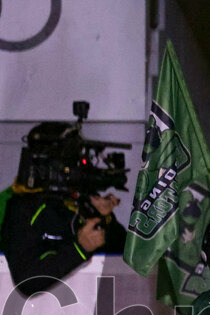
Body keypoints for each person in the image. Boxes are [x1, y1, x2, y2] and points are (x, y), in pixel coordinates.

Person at [1, 120, 127, 296]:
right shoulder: (21, 208)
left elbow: (125, 256)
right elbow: (27, 281)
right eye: (71, 163)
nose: (79, 168)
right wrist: (79, 249)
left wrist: (106, 219)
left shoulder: (75, 201)